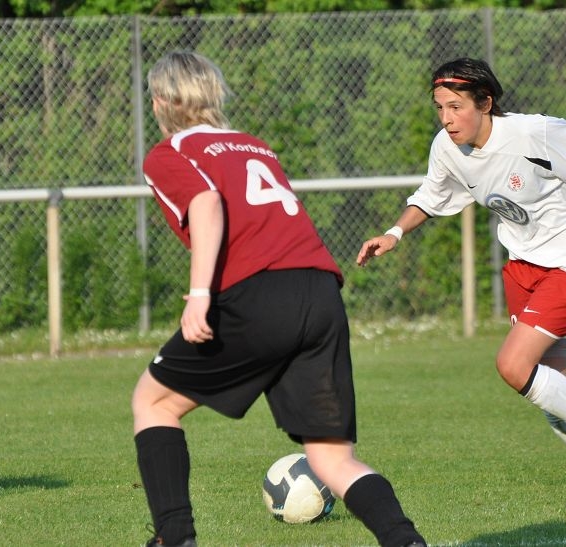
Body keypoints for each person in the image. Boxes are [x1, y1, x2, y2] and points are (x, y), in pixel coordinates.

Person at [133, 50, 426, 547]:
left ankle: (174, 538)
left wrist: (199, 294)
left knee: (154, 401)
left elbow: (206, 205)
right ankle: (407, 542)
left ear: (162, 101)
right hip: (319, 290)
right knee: (332, 458)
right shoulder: (254, 146)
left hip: (260, 293)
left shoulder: (169, 153)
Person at [357, 57, 566, 509]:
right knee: (551, 388)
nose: (446, 118)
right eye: (440, 107)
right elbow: (431, 194)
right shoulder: (447, 147)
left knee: (513, 366)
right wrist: (394, 233)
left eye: (456, 106)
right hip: (525, 262)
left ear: (485, 102)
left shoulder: (533, 133)